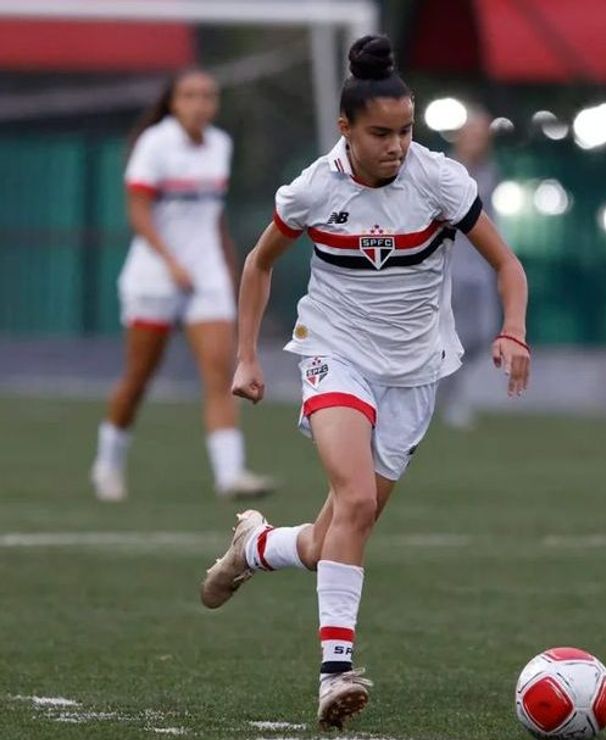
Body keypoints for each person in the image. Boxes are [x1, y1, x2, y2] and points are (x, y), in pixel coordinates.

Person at [198, 35, 530, 730]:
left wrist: (513, 329)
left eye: (406, 131)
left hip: (415, 374)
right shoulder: (314, 188)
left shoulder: (439, 180)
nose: (397, 146)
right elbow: (258, 265)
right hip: (335, 354)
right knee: (352, 500)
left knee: (337, 533)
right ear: (345, 129)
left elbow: (508, 267)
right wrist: (248, 357)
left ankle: (254, 547)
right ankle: (335, 671)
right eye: (381, 133)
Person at [90, 69, 274, 502]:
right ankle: (108, 463)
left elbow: (212, 218)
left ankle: (231, 474)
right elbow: (138, 212)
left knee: (219, 374)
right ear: (173, 102)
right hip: (155, 276)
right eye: (190, 95)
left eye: (208, 95)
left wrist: (229, 270)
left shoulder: (219, 145)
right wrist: (171, 262)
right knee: (139, 376)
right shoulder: (155, 144)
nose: (200, 104)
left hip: (205, 276)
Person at [440, 107, 502, 428]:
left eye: (483, 134)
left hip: (481, 269)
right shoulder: (446, 171)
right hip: (449, 268)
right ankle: (451, 399)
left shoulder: (490, 172)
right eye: (473, 133)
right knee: (445, 335)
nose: (478, 140)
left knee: (480, 335)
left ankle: (444, 386)